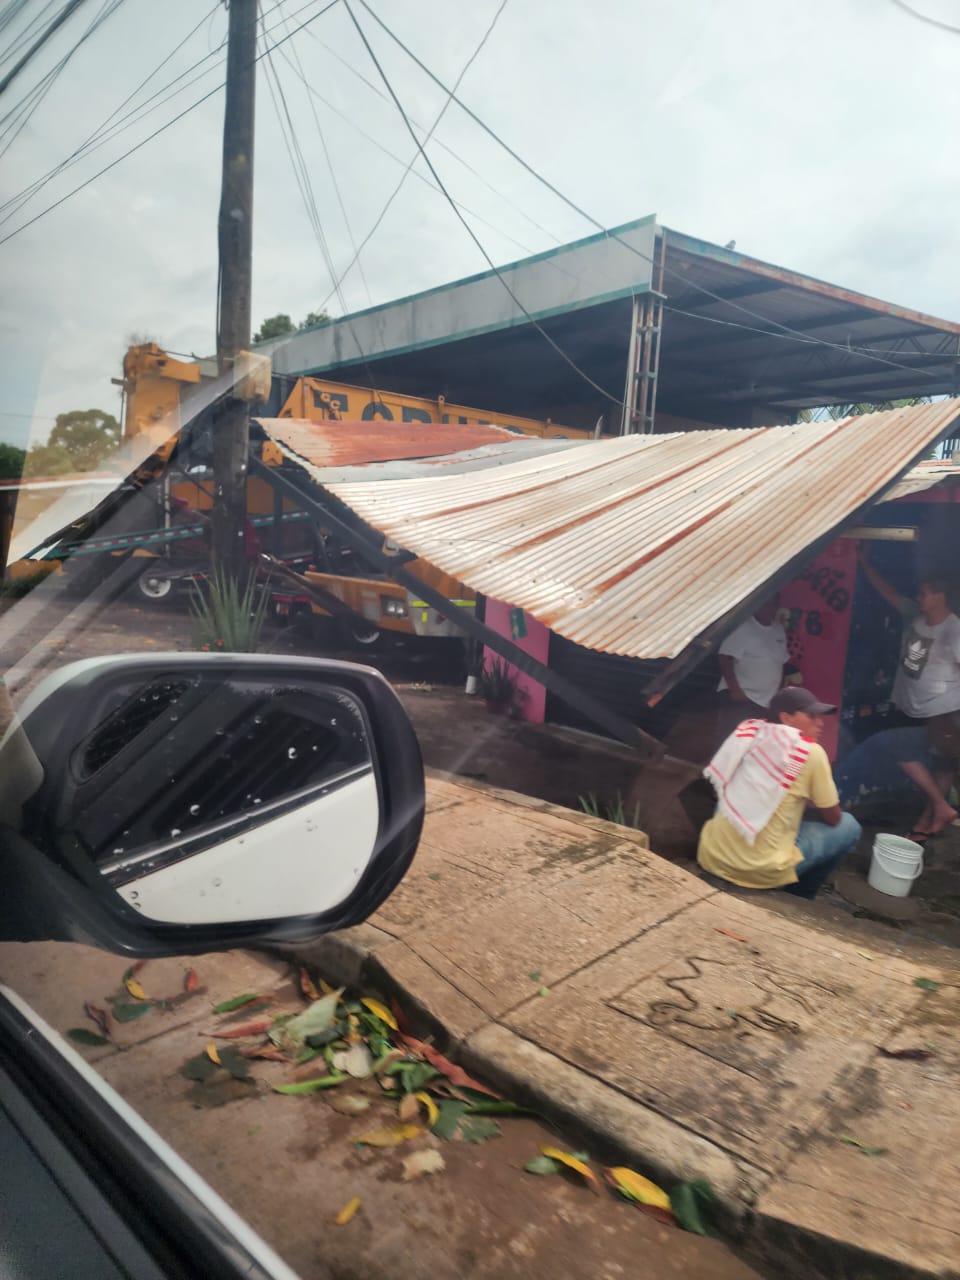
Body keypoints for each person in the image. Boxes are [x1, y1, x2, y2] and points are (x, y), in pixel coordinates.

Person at [698, 687, 861, 899]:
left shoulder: (750, 733)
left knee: (733, 797)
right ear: (786, 718)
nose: (820, 723)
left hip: (711, 857)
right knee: (849, 825)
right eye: (811, 716)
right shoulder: (810, 752)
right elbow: (833, 818)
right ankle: (800, 895)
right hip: (759, 871)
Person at [857, 545, 960, 836]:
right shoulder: (914, 614)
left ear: (941, 596)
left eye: (924, 593)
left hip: (942, 710)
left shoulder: (954, 630)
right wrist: (864, 563)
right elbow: (888, 592)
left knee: (941, 765)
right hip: (908, 704)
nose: (919, 597)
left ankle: (930, 819)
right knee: (905, 754)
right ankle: (940, 808)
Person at [715, 594, 788, 744]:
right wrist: (736, 690)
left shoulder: (778, 630)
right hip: (743, 697)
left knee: (754, 745)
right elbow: (725, 657)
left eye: (773, 605)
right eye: (765, 604)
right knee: (733, 742)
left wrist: (777, 694)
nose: (769, 609)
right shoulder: (743, 628)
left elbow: (781, 663)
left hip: (766, 702)